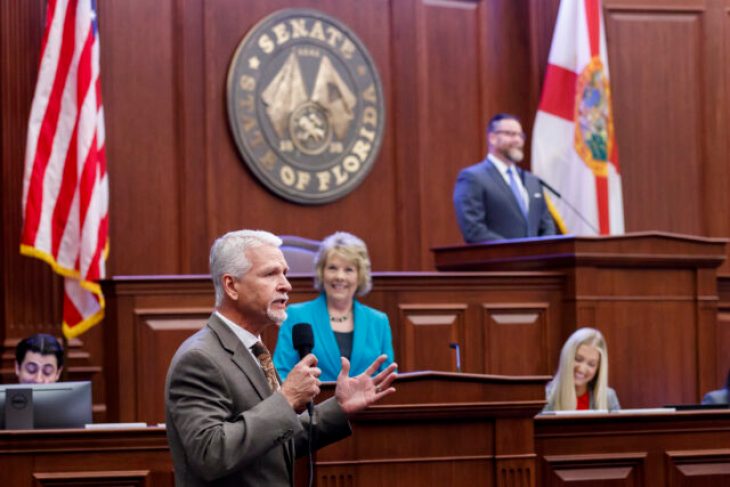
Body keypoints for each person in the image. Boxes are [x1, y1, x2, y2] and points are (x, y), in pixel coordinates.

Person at [165, 229, 397, 486]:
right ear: (231, 285)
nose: (286, 285)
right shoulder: (199, 359)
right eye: (270, 274)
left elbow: (274, 443)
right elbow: (210, 454)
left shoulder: (253, 349)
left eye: (284, 273)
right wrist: (286, 400)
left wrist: (338, 407)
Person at [274, 232, 394, 382]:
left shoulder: (379, 321)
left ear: (360, 275)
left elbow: (388, 377)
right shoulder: (296, 316)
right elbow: (281, 373)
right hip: (314, 397)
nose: (340, 276)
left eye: (348, 270)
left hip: (367, 397)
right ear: (322, 272)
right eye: (332, 268)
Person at [453, 113, 557, 243]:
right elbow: (474, 230)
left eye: (520, 135)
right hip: (497, 256)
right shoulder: (473, 178)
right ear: (492, 138)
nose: (517, 140)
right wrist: (516, 251)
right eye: (510, 134)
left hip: (537, 256)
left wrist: (545, 249)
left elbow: (546, 226)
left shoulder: (532, 181)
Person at [543, 327, 620, 412]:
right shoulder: (546, 397)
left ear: (598, 368)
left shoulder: (608, 397)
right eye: (578, 359)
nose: (582, 369)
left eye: (591, 364)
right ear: (567, 357)